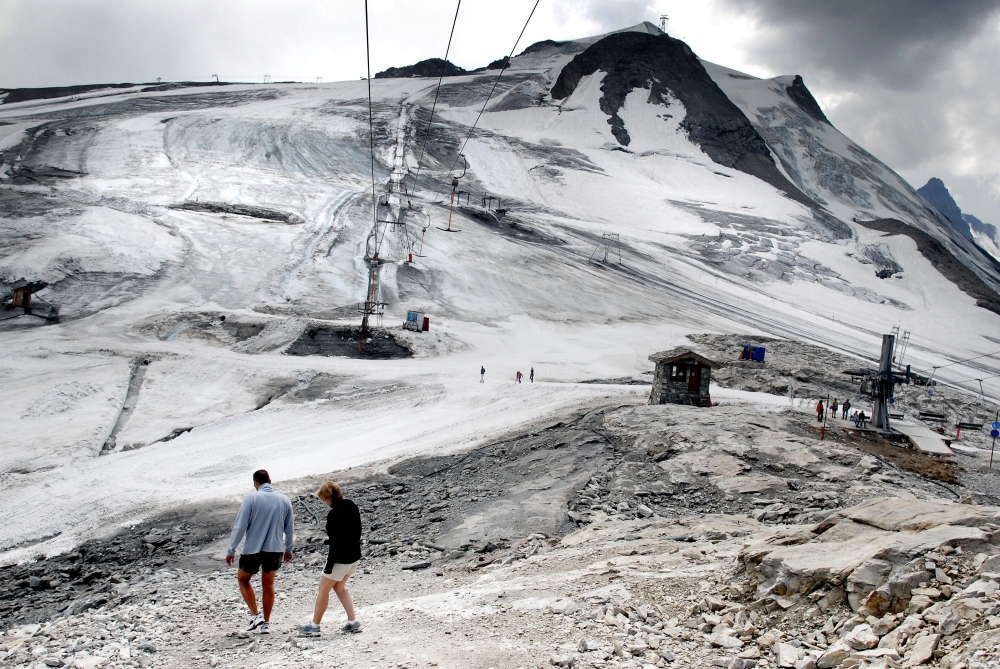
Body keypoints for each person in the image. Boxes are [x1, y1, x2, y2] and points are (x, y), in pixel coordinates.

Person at [226, 470, 295, 634]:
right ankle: (266, 624)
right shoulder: (284, 500)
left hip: (252, 549)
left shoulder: (251, 498)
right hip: (275, 549)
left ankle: (256, 615)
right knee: (268, 584)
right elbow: (290, 528)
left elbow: (240, 526)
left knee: (243, 579)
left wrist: (231, 549)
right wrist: (289, 549)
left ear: (256, 483)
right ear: (270, 481)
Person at [298, 481, 362, 636]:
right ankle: (353, 622)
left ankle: (315, 626)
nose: (325, 503)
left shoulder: (334, 514)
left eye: (324, 499)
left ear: (328, 497)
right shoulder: (351, 505)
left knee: (323, 589)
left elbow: (335, 542)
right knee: (339, 587)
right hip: (354, 556)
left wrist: (329, 565)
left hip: (340, 558)